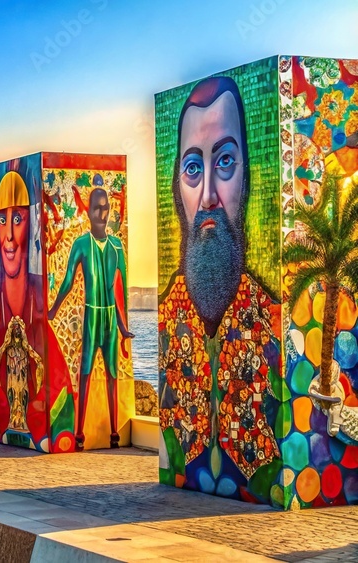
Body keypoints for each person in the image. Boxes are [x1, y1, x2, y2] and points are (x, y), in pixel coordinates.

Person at [158, 76, 280, 498]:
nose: (208, 195)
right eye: (193, 169)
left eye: (224, 162)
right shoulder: (170, 320)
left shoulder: (275, 326)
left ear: (246, 177)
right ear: (177, 189)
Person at [0, 165, 73, 452]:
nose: (9, 237)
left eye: (18, 219)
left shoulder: (41, 293)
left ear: (33, 224)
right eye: (2, 220)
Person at [48, 184, 133, 450]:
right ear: (88, 211)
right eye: (97, 208)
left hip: (109, 317)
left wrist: (123, 328)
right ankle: (80, 433)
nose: (102, 213)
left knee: (112, 374)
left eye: (106, 207)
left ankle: (114, 433)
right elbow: (68, 282)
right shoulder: (81, 244)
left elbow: (121, 291)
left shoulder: (117, 247)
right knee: (84, 372)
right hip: (91, 316)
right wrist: (53, 310)